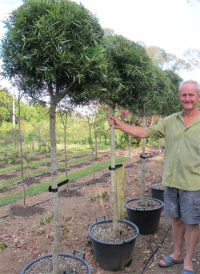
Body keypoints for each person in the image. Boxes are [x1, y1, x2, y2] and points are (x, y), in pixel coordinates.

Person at [108, 80, 200, 274]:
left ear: (198, 97)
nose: (187, 98)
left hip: (194, 184)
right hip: (171, 181)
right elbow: (145, 132)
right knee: (175, 220)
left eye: (191, 95)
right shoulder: (170, 121)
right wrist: (120, 125)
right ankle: (177, 254)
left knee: (192, 223)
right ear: (179, 98)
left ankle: (188, 263)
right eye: (184, 95)